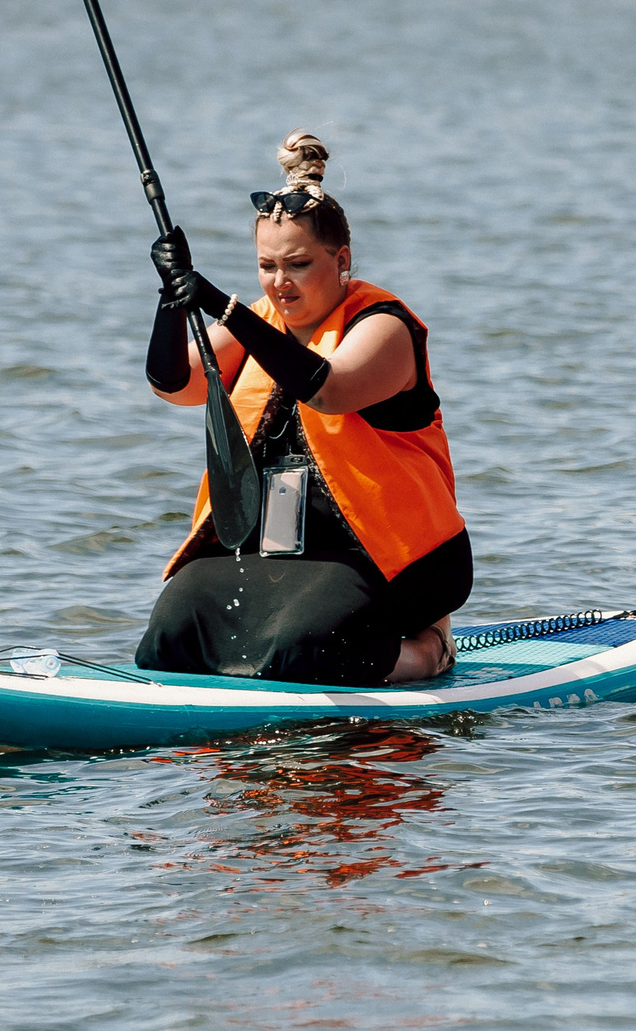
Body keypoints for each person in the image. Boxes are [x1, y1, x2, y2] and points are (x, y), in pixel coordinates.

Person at [134, 131, 472, 686]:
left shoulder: (385, 327)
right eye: (267, 266)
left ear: (339, 259)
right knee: (170, 639)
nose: (279, 282)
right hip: (280, 555)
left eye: (297, 265)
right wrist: (171, 298)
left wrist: (221, 304)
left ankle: (429, 648)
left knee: (307, 653)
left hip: (397, 558)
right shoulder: (260, 321)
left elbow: (327, 388)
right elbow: (173, 385)